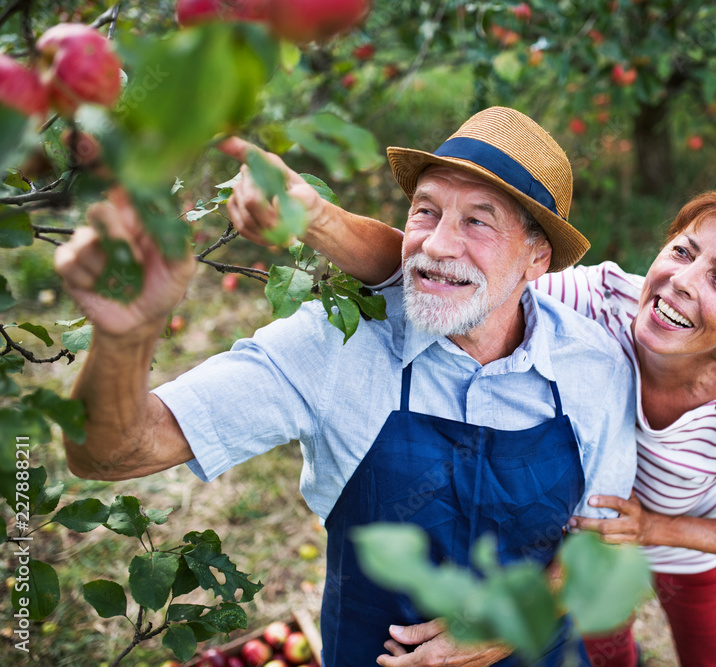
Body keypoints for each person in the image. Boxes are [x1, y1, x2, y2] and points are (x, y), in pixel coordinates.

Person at [54, 106, 638, 666]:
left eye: (477, 222)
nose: (435, 245)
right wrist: (124, 332)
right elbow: (108, 452)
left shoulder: (593, 366)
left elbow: (601, 540)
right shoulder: (336, 344)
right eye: (425, 211)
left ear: (537, 256)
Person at [278, 181, 716, 667]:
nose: (682, 281)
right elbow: (461, 274)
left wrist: (653, 529)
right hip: (588, 545)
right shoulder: (601, 300)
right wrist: (314, 219)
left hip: (687, 550)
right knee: (607, 654)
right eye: (682, 251)